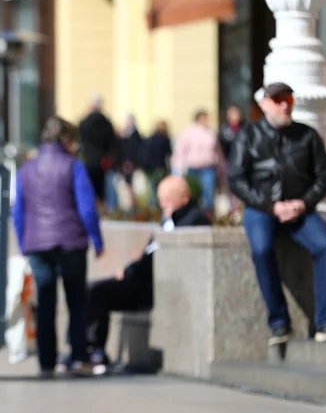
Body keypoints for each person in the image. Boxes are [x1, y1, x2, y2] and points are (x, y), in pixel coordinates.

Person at [228, 82, 326, 346]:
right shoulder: (248, 135)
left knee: (325, 246)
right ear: (264, 104)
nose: (284, 105)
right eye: (277, 100)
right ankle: (279, 323)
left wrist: (303, 203)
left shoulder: (307, 135)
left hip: (300, 209)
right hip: (262, 210)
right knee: (261, 249)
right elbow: (237, 179)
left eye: (288, 99)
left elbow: (323, 177)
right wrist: (271, 206)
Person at [12, 115, 104, 378]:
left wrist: (23, 243)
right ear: (65, 139)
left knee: (46, 302)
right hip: (70, 243)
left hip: (37, 245)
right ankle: (78, 356)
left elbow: (18, 212)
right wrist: (96, 240)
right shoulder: (73, 166)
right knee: (76, 301)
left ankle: (47, 362)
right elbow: (87, 208)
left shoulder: (26, 169)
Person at [86, 176, 210, 368]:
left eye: (168, 198)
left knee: (98, 293)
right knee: (92, 288)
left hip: (154, 285)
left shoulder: (192, 220)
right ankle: (88, 349)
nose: (163, 204)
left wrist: (129, 271)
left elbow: (161, 259)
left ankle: (96, 351)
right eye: (161, 199)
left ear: (184, 197)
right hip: (142, 278)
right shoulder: (169, 219)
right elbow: (149, 254)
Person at [171, 109, 221, 213]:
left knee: (208, 192)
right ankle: (193, 214)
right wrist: (177, 167)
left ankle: (208, 215)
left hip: (207, 167)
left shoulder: (211, 133)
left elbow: (216, 151)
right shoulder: (188, 132)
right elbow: (180, 151)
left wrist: (219, 165)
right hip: (193, 167)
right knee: (192, 193)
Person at [78, 95, 119, 203]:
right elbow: (113, 144)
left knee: (87, 190)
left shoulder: (84, 123)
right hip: (102, 162)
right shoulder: (107, 123)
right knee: (101, 191)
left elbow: (79, 141)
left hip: (87, 161)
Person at [140, 120, 172, 207]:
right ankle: (157, 207)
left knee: (151, 189)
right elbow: (169, 154)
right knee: (160, 189)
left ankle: (152, 207)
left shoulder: (150, 138)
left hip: (148, 167)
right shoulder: (165, 139)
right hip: (160, 167)